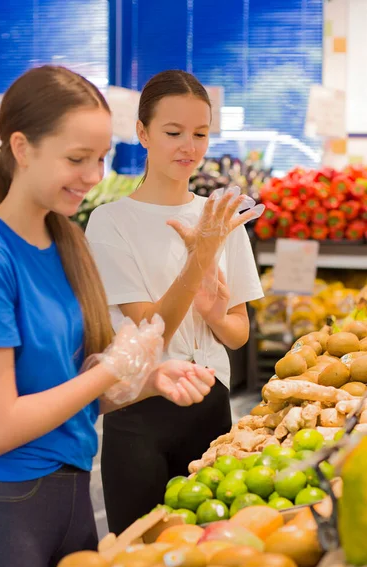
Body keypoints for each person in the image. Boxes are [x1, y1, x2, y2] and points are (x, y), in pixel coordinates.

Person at [0, 65, 216, 567]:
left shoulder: (68, 245)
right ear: (22, 147)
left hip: (73, 490)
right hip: (5, 502)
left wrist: (145, 381)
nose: (91, 175)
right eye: (76, 159)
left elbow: (68, 392)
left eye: (100, 159)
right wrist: (111, 368)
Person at [86, 69, 264, 535]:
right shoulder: (110, 223)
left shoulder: (221, 214)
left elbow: (238, 331)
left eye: (200, 134)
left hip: (212, 403)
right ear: (142, 132)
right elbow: (151, 331)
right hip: (139, 410)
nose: (189, 146)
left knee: (211, 544)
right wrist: (200, 256)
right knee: (141, 552)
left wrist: (213, 313)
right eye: (173, 132)